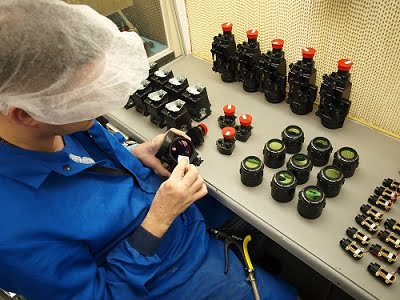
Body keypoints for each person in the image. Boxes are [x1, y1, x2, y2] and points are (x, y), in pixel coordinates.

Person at [0, 1, 297, 299]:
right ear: (26, 115)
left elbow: (88, 161)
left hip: (179, 219)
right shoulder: (12, 234)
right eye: (87, 95)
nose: (101, 97)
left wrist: (131, 154)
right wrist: (157, 221)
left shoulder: (56, 120)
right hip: (157, 277)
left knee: (258, 212)